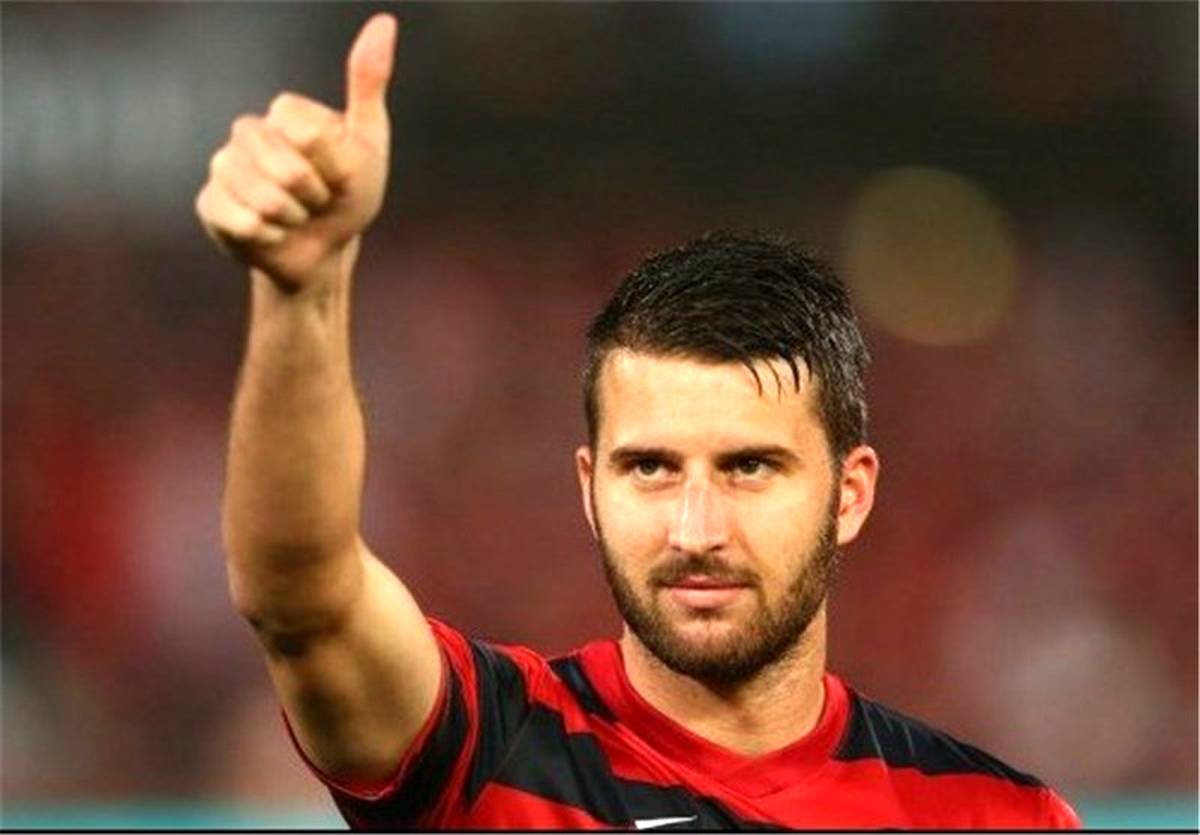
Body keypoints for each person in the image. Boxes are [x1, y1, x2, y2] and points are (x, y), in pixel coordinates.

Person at [196, 14, 1080, 830]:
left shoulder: (994, 816)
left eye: (749, 466)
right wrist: (302, 288)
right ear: (590, 488)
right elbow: (300, 595)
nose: (695, 529)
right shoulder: (490, 746)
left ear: (849, 494)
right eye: (650, 467)